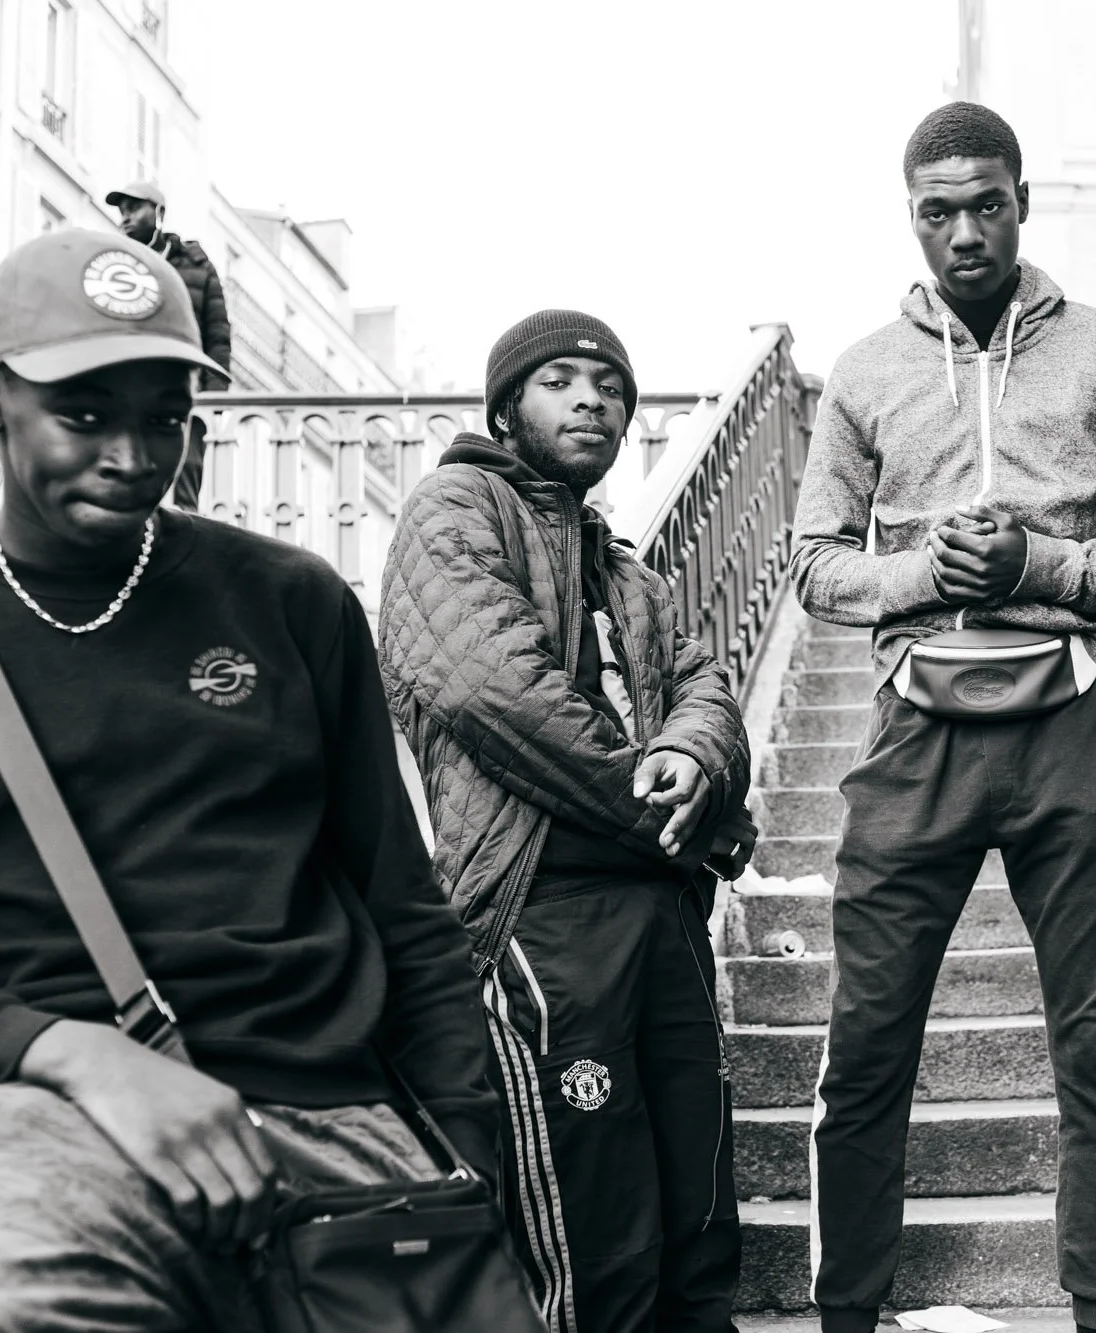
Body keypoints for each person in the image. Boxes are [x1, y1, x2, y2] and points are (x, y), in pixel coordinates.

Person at [0, 228, 496, 1330]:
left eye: (165, 417)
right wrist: (68, 1052)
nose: (135, 454)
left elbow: (402, 909)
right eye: (86, 415)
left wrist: (464, 1158)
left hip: (335, 1126)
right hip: (32, 1126)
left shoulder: (293, 604)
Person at [790, 102, 1096, 1333]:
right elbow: (811, 564)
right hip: (918, 727)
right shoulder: (862, 372)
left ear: (1021, 201)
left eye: (986, 202)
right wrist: (924, 578)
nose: (963, 230)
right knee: (863, 1047)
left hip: (1076, 722)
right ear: (909, 217)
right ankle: (848, 1309)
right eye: (936, 210)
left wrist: (1038, 567)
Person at [379, 310, 754, 1333]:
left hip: (659, 911)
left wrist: (694, 757)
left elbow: (703, 686)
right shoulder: (453, 510)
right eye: (558, 379)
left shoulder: (625, 571)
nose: (592, 398)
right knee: (593, 1226)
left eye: (609, 384)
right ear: (506, 406)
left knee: (697, 1200)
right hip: (538, 910)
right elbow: (488, 691)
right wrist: (663, 800)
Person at [108, 179, 233, 511]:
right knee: (130, 465)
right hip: (131, 382)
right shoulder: (113, 261)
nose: (125, 217)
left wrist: (214, 394)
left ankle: (183, 545)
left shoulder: (196, 263)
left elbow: (217, 330)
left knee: (186, 469)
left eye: (134, 208)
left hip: (185, 382)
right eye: (122, 211)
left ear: (159, 212)